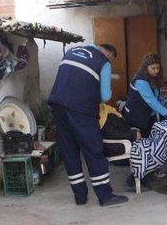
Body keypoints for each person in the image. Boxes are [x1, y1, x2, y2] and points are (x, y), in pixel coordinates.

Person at [48, 43, 129, 207]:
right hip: (81, 109)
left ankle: (80, 196)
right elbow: (105, 96)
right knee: (93, 149)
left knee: (69, 151)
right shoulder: (103, 62)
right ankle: (105, 196)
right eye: (112, 60)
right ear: (109, 56)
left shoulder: (73, 51)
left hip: (57, 104)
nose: (110, 64)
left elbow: (72, 77)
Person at [124, 53, 167, 137]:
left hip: (149, 114)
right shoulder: (141, 81)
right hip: (137, 117)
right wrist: (166, 112)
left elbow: (154, 94)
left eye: (158, 68)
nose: (156, 71)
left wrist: (160, 100)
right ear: (146, 68)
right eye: (153, 68)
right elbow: (151, 100)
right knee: (142, 142)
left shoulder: (153, 77)